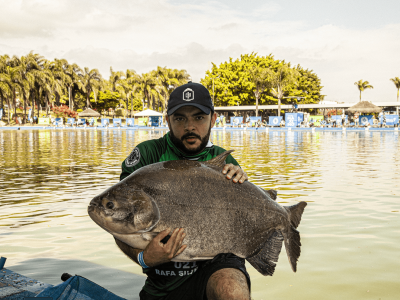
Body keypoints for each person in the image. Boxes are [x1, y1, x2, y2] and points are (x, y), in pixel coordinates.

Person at [118, 82, 250, 300]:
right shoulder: (147, 155)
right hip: (163, 281)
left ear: (213, 119)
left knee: (231, 289)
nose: (190, 126)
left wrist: (244, 187)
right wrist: (143, 258)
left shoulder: (225, 162)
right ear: (168, 120)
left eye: (199, 117)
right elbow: (117, 218)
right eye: (180, 118)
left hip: (216, 265)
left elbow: (243, 219)